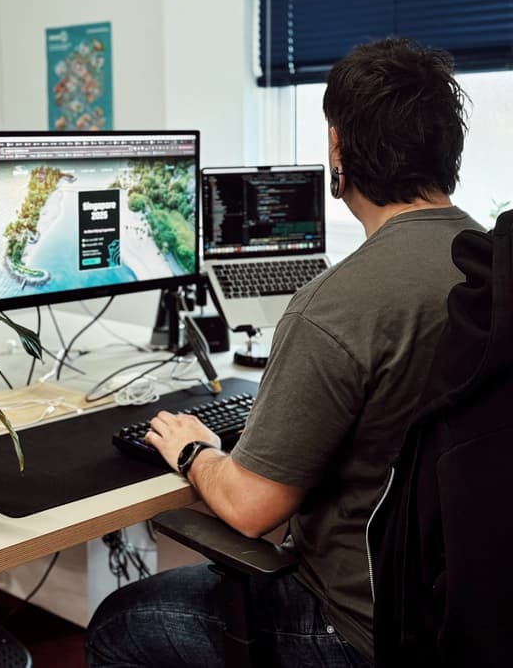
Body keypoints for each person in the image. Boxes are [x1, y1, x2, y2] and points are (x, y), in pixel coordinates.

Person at [85, 37, 482, 667]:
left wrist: (194, 449)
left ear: (338, 152)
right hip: (466, 618)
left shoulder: (337, 305)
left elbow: (251, 508)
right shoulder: (494, 267)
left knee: (119, 623)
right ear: (447, 151)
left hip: (357, 628)